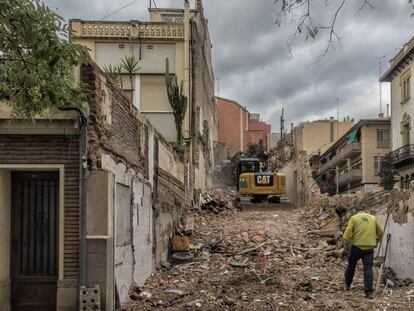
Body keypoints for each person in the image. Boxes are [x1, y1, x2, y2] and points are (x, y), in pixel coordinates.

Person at [343, 209, 384, 299]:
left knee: (351, 266)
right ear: (366, 213)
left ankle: (347, 285)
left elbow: (346, 235)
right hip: (369, 248)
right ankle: (368, 292)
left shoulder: (354, 218)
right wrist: (376, 241)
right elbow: (381, 232)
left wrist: (348, 242)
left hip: (356, 247)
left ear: (359, 213)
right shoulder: (373, 218)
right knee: (368, 269)